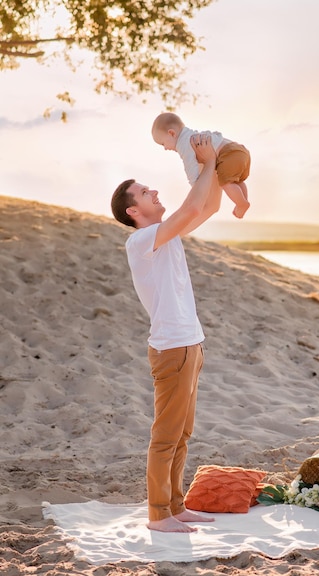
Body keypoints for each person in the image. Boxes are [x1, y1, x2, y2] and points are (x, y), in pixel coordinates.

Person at [111, 134, 221, 533]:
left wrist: (216, 170)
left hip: (191, 344)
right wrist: (206, 164)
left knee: (183, 433)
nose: (153, 191)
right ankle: (159, 514)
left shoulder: (166, 234)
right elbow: (192, 204)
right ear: (133, 210)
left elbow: (205, 206)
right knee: (166, 436)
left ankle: (175, 505)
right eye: (144, 191)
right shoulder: (140, 240)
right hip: (172, 349)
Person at [152, 112, 251, 219]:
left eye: (163, 144)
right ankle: (243, 201)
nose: (165, 148)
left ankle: (241, 204)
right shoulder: (192, 135)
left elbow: (190, 167)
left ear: (172, 133)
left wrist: (197, 188)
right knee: (237, 181)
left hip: (229, 155)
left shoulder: (184, 144)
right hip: (239, 150)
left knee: (226, 183)